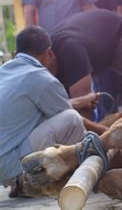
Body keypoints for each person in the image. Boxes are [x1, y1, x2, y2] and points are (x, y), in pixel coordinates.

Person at [0, 27, 98, 197]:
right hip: (7, 164)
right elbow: (66, 116)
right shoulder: (40, 77)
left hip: (5, 158)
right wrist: (102, 137)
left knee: (38, 118)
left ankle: (20, 180)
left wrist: (80, 101)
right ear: (49, 52)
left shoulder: (6, 70)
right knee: (73, 119)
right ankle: (31, 179)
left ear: (18, 51)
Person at [50, 9, 122, 103]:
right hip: (92, 51)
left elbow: (83, 102)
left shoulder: (68, 48)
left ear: (49, 53)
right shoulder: (40, 72)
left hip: (118, 36)